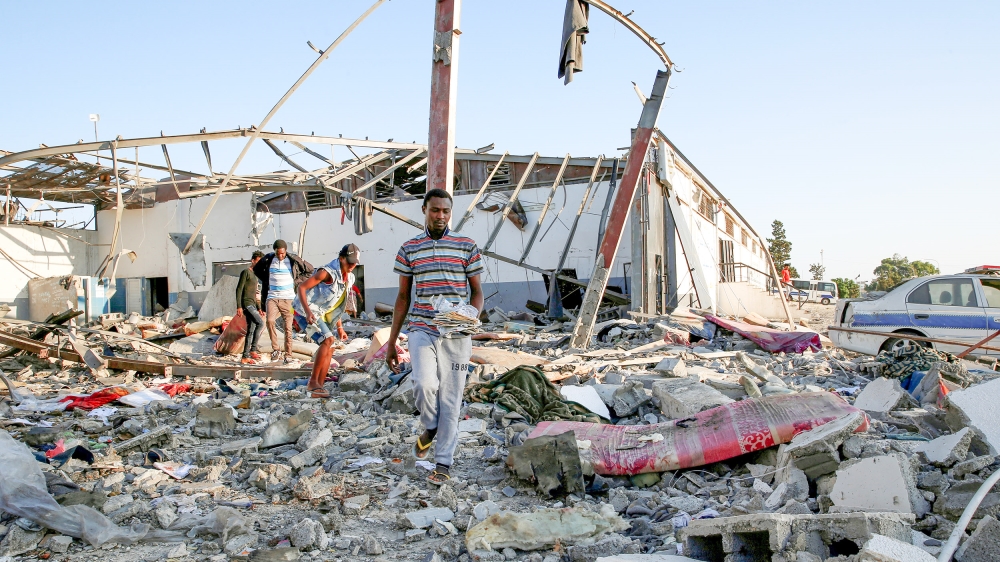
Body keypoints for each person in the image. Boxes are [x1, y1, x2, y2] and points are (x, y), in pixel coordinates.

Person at [386, 189, 483, 485]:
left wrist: (470, 318)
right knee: (424, 384)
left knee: (451, 399)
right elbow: (403, 297)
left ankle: (443, 463)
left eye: (446, 211)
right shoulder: (409, 248)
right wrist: (391, 342)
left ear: (450, 213)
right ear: (424, 210)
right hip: (421, 327)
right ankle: (430, 426)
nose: (441, 216)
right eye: (435, 210)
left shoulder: (466, 246)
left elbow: (477, 293)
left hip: (457, 333)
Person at [293, 244, 360, 398]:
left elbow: (337, 305)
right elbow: (301, 288)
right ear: (341, 258)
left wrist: (340, 327)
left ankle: (320, 385)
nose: (352, 265)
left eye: (354, 263)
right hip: (303, 311)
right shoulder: (326, 273)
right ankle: (313, 384)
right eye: (349, 262)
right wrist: (308, 312)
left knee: (331, 346)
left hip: (320, 313)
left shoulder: (349, 278)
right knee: (327, 340)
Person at [252, 239, 313, 363]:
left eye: (283, 253)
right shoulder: (269, 259)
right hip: (272, 297)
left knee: (288, 327)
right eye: (278, 253)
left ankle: (288, 355)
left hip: (289, 299)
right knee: (269, 321)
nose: (280, 256)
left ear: (286, 251)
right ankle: (276, 349)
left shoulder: (292, 260)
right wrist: (266, 279)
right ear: (274, 251)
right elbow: (256, 270)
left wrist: (296, 281)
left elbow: (310, 270)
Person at [235, 250, 265, 365]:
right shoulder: (246, 272)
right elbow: (239, 289)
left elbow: (256, 294)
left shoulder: (256, 276)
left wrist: (259, 308)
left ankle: (245, 356)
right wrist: (239, 306)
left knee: (251, 330)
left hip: (252, 304)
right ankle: (253, 350)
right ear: (253, 261)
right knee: (260, 323)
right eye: (258, 261)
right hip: (246, 304)